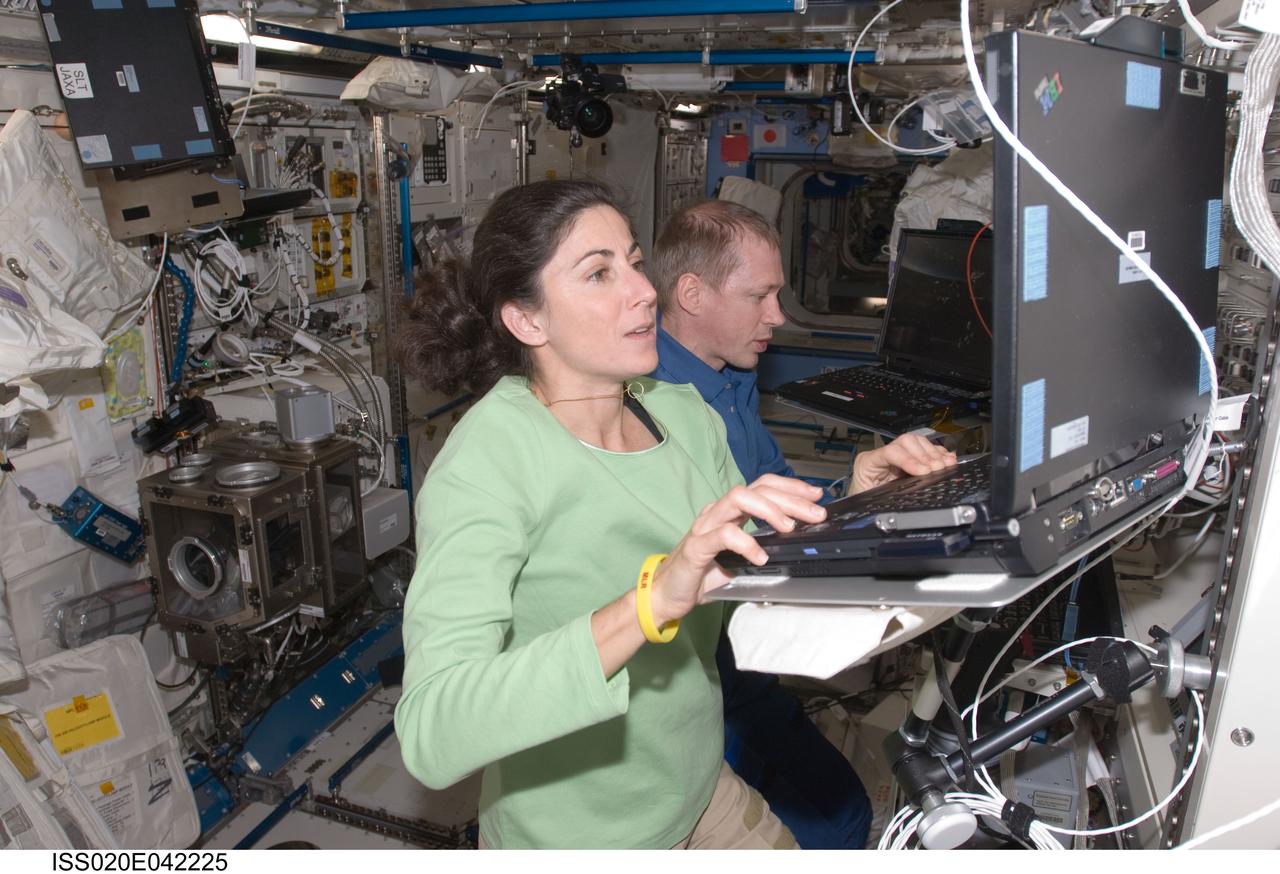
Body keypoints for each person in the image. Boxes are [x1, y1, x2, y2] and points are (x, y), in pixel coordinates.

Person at [392, 180, 827, 849]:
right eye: (598, 273)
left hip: (699, 790)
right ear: (527, 320)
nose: (644, 290)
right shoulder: (488, 462)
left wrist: (865, 506)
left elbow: (752, 580)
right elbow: (434, 730)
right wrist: (652, 601)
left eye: (631, 259)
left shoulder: (683, 412)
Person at [649, 199, 956, 849]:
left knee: (841, 808)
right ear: (693, 294)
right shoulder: (646, 405)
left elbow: (780, 496)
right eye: (759, 296)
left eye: (780, 294)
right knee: (835, 818)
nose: (777, 316)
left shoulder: (730, 378)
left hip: (738, 664)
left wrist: (858, 486)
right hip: (685, 675)